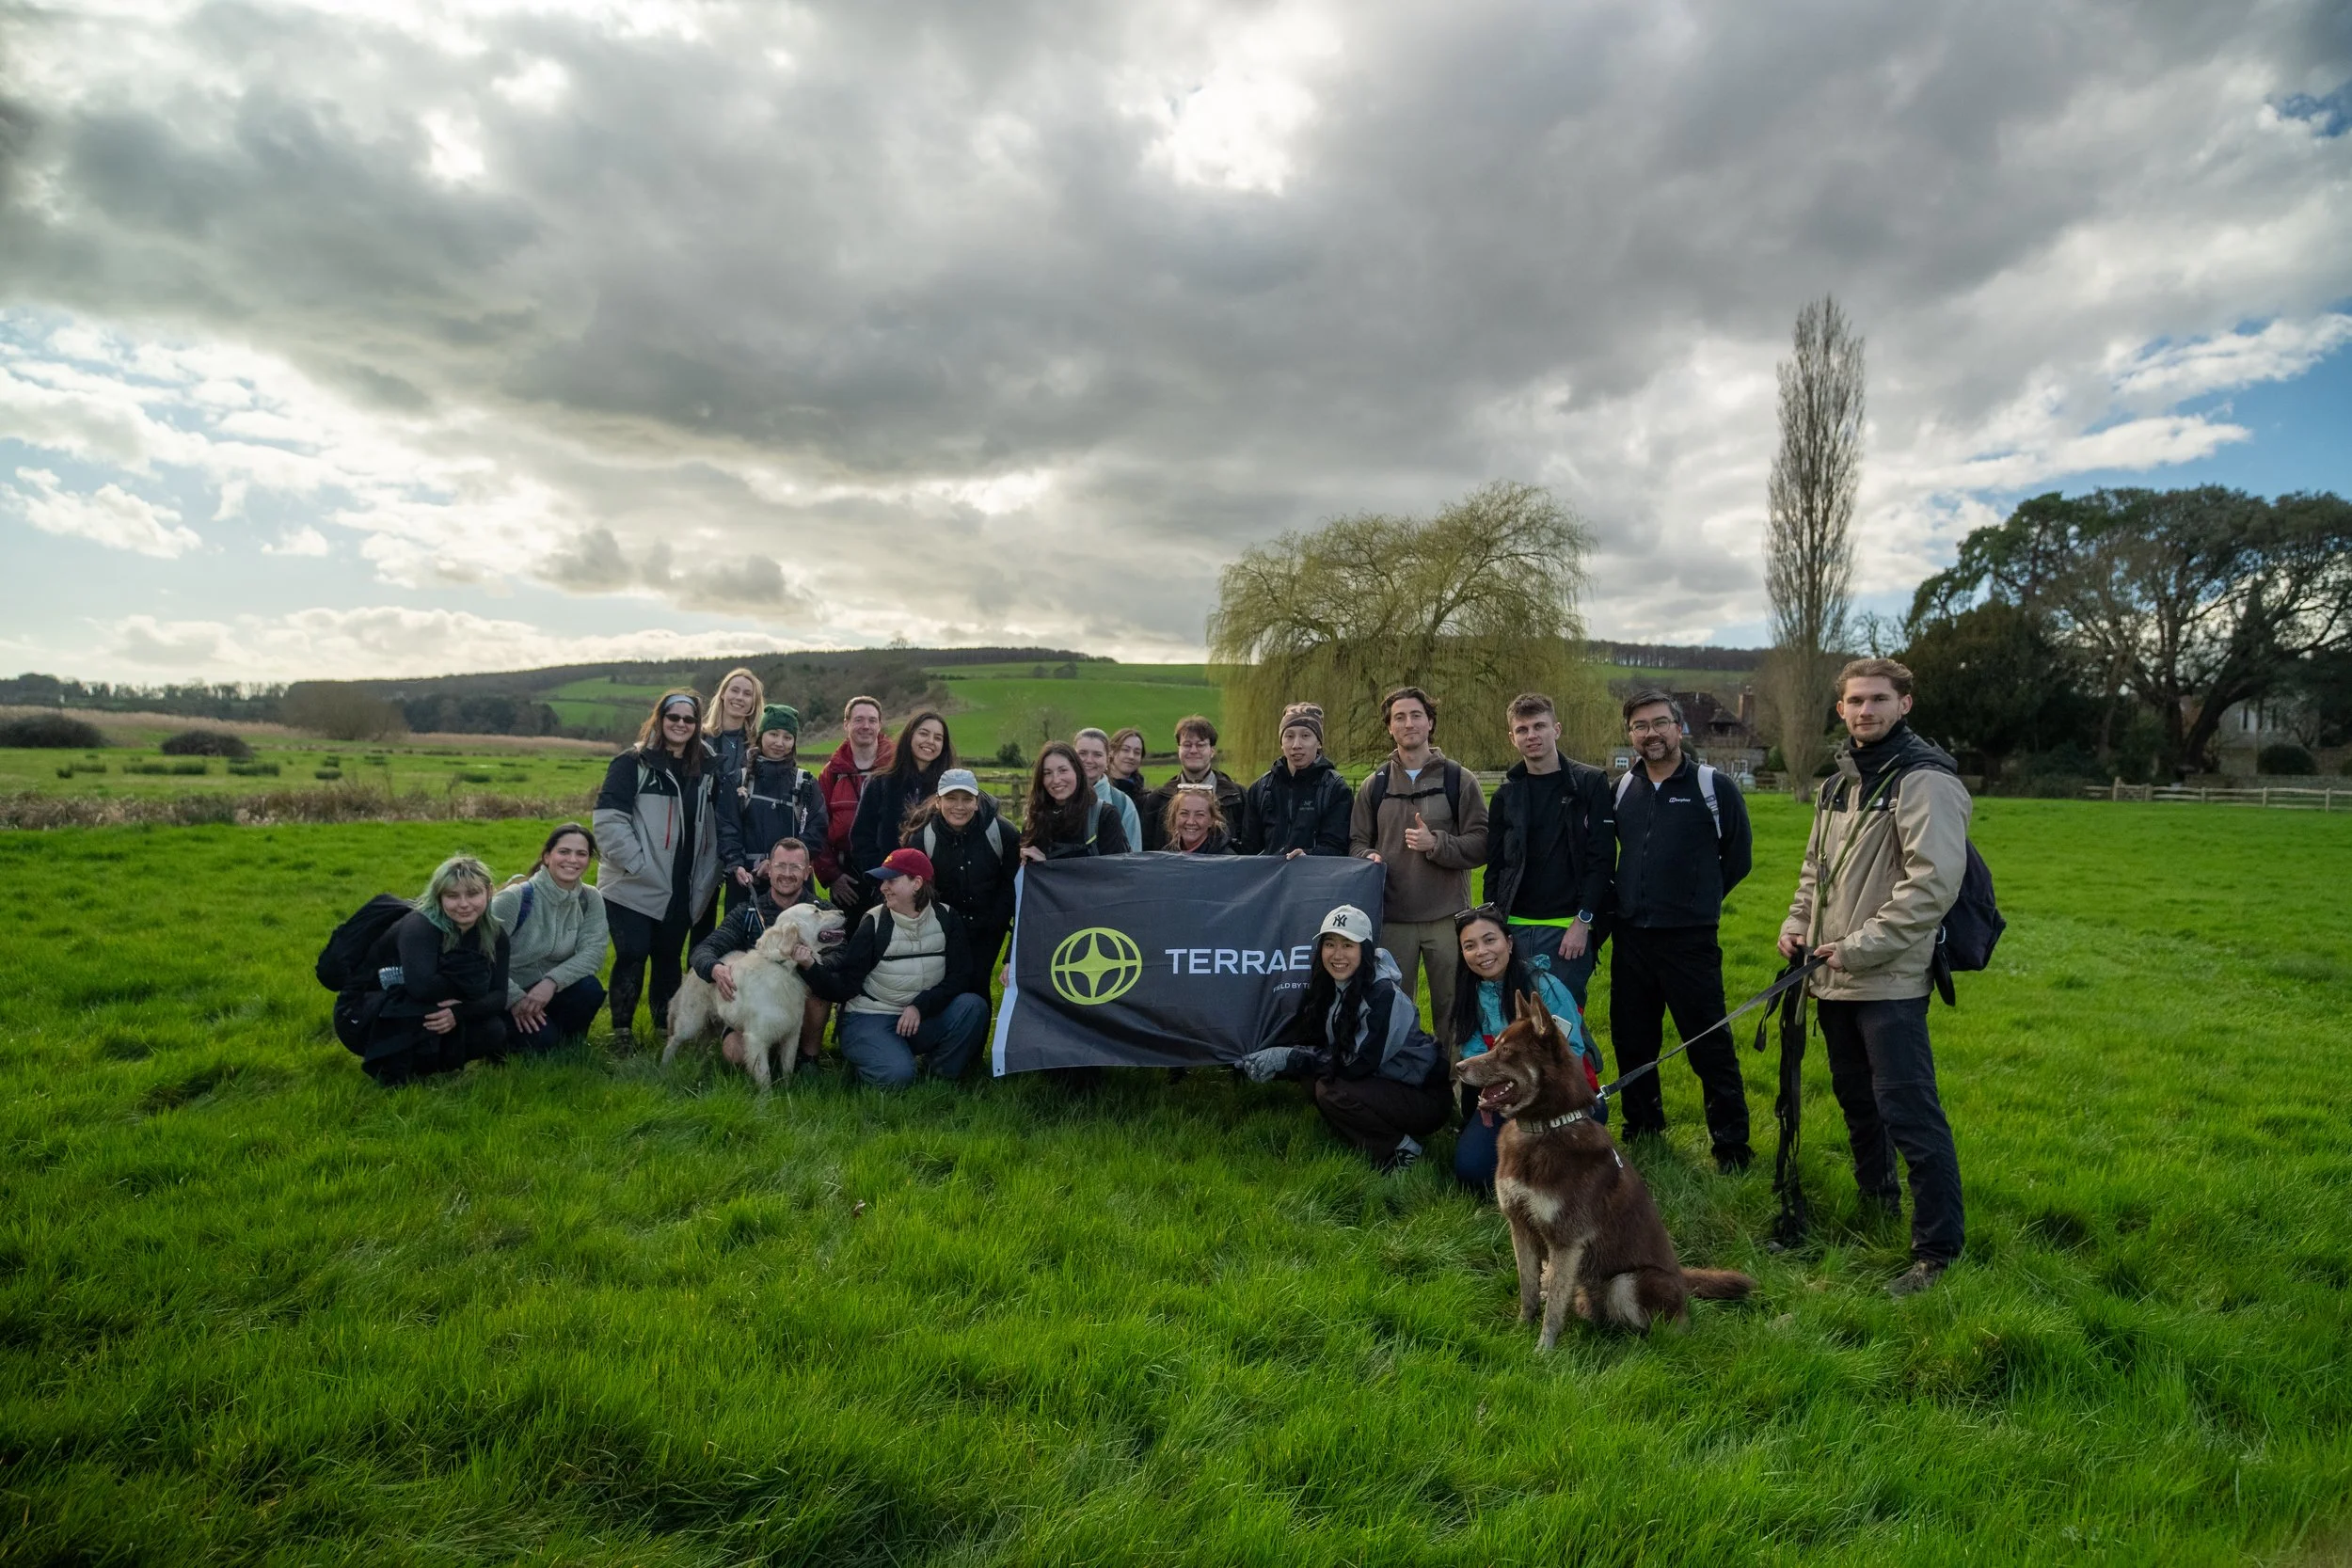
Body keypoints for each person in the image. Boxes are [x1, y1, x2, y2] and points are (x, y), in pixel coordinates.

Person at [1779, 657, 1973, 1298]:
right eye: (1856, 701)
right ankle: (1877, 1207)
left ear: (1905, 703)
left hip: (1887, 978)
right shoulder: (1840, 783)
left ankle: (1937, 1251)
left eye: (1879, 700)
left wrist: (1856, 948)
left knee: (1909, 1112)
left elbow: (1931, 887)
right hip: (1831, 972)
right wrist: (1797, 924)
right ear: (1841, 710)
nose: (1866, 710)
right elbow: (1815, 869)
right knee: (1858, 1103)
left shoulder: (1924, 781)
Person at [1611, 689, 1756, 1170]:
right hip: (1632, 937)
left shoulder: (1711, 786)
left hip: (1689, 941)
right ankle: (1644, 1130)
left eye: (1659, 723)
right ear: (1631, 734)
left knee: (1708, 1043)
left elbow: (1737, 859)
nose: (1650, 733)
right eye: (1640, 726)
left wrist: (1697, 901)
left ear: (1679, 728)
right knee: (1633, 1041)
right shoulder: (1623, 789)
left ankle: (1731, 1145)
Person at [1236, 904, 1450, 1173]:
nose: (1337, 955)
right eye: (1330, 944)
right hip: (1389, 1083)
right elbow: (1320, 1046)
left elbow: (1357, 1065)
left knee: (1331, 1090)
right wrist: (1276, 1062)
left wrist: (1289, 1058)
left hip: (1424, 1097)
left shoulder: (1383, 995)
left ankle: (1399, 1150)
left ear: (1365, 950)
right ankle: (1364, 1133)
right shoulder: (1331, 985)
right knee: (1312, 1077)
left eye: (1348, 945)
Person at [1350, 686, 1488, 1032]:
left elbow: (1482, 844)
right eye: (1399, 717)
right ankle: (1404, 1082)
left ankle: (1454, 1083)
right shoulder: (1374, 785)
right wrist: (1368, 856)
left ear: (1430, 723)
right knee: (1393, 1010)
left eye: (1416, 715)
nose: (1408, 723)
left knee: (1454, 1009)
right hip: (1394, 918)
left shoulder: (1460, 779)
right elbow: (1354, 843)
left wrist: (1436, 843)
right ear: (1390, 727)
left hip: (1448, 917)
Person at [791, 847, 989, 1089]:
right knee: (897, 1076)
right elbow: (844, 987)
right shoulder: (874, 923)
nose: (883, 887)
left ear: (917, 883)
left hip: (918, 1017)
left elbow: (960, 977)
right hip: (869, 1018)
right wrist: (809, 965)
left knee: (973, 1006)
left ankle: (938, 1076)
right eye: (882, 881)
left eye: (891, 880)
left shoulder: (947, 918)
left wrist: (919, 1006)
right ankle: (878, 1058)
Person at [1445, 905, 1604, 1194]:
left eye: (1489, 940)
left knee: (1556, 1175)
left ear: (1509, 941)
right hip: (1505, 1099)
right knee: (1472, 1172)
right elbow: (1473, 1051)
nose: (1481, 952)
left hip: (1557, 1099)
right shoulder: (1469, 995)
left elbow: (1572, 1051)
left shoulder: (1544, 986)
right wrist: (1497, 1093)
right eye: (1470, 946)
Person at [594, 689, 722, 1045]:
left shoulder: (707, 768)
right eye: (673, 717)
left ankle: (666, 1028)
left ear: (697, 725)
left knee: (668, 958)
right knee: (632, 953)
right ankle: (621, 1031)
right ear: (660, 719)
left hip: (682, 884)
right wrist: (637, 863)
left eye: (689, 719)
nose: (681, 724)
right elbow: (608, 820)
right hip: (632, 883)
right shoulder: (632, 764)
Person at [1483, 691, 1615, 1009]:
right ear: (1512, 738)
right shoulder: (1506, 795)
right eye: (1522, 730)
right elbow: (1496, 865)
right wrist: (1492, 929)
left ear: (1556, 729)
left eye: (1539, 726)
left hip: (1567, 931)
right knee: (1514, 1028)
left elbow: (1603, 858)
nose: (1532, 735)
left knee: (1562, 1031)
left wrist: (1583, 922)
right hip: (1514, 925)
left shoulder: (1590, 784)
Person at [358, 854, 511, 1085]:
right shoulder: (419, 927)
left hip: (428, 1008)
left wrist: (459, 1012)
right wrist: (475, 985)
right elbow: (421, 988)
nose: (463, 904)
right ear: (439, 897)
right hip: (370, 1010)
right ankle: (393, 1068)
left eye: (473, 894)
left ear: (489, 892)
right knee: (420, 1011)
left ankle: (425, 1067)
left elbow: (499, 996)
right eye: (452, 896)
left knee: (493, 1029)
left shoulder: (495, 935)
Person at [688, 835, 830, 1069]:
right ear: (768, 869)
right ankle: (766, 1053)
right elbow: (704, 949)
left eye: (795, 867)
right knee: (734, 1052)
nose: (787, 873)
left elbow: (840, 960)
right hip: (756, 1010)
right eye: (780, 866)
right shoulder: (748, 912)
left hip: (801, 1007)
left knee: (818, 989)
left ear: (807, 873)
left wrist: (812, 966)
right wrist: (714, 968)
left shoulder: (822, 912)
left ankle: (807, 1060)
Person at [491, 823, 610, 1053]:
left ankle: (568, 1044)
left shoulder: (590, 898)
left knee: (590, 989)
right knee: (543, 1045)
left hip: (553, 989)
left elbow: (593, 953)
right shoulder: (515, 898)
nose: (572, 860)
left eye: (581, 854)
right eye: (564, 852)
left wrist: (551, 982)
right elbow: (482, 956)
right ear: (547, 856)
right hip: (509, 991)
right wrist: (514, 998)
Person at [904, 768, 1020, 989]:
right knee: (944, 984)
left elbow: (1012, 884)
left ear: (976, 802)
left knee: (978, 983)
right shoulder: (921, 838)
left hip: (989, 927)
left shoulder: (1003, 832)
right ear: (938, 802)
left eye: (967, 799)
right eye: (951, 798)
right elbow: (916, 889)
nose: (959, 806)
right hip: (942, 929)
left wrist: (996, 920)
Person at [716, 703, 828, 915]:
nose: (779, 743)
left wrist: (778, 864)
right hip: (746, 883)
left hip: (793, 886)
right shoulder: (737, 781)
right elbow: (727, 828)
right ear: (761, 736)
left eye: (787, 737)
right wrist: (735, 864)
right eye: (773, 734)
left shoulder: (805, 783)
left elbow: (816, 831)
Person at [846, 710, 954, 911]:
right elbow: (862, 838)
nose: (930, 741)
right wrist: (883, 879)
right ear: (910, 735)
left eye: (938, 738)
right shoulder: (880, 783)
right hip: (889, 890)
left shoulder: (949, 791)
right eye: (923, 733)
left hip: (939, 892)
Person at [1235, 703, 1351, 858]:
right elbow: (1249, 849)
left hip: (1314, 878)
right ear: (1281, 743)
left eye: (1305, 736)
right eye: (1289, 736)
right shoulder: (1261, 789)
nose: (1296, 745)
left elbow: (1337, 847)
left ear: (1319, 743)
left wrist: (1308, 856)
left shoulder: (1335, 789)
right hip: (1269, 879)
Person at [814, 694, 893, 891]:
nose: (866, 726)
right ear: (846, 724)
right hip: (846, 875)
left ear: (879, 725)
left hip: (892, 871)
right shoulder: (831, 773)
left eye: (872, 720)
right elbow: (817, 827)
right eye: (858, 720)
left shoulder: (897, 768)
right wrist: (832, 876)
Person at [1140, 714, 1247, 849]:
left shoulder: (1238, 796)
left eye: (1200, 745)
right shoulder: (1158, 799)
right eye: (1187, 745)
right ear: (1178, 749)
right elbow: (1148, 850)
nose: (1193, 750)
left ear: (1212, 751)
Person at [1021, 742, 1131, 860]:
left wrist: (1048, 867)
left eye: (1063, 770)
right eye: (1047, 773)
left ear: (1077, 772)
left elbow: (1115, 873)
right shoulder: (1034, 819)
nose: (1056, 780)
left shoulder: (1104, 816)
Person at [1073, 728, 1145, 853]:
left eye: (1097, 754)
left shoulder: (1123, 804)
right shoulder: (1056, 798)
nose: (1089, 760)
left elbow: (1134, 859)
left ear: (1108, 759)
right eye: (1082, 753)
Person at [704, 665, 766, 799]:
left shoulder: (759, 745)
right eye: (734, 690)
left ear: (753, 702)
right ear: (722, 694)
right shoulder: (700, 738)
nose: (739, 697)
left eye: (747, 694)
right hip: (704, 817)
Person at [1158, 782, 1234, 854]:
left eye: (1199, 815)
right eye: (1184, 813)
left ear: (1212, 820)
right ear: (1175, 817)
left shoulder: (1227, 860)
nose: (1190, 822)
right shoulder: (1166, 857)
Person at [1107, 727, 1152, 818]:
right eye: (1125, 750)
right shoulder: (1099, 790)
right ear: (1111, 751)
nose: (1131, 756)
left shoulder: (1145, 798)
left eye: (1137, 752)